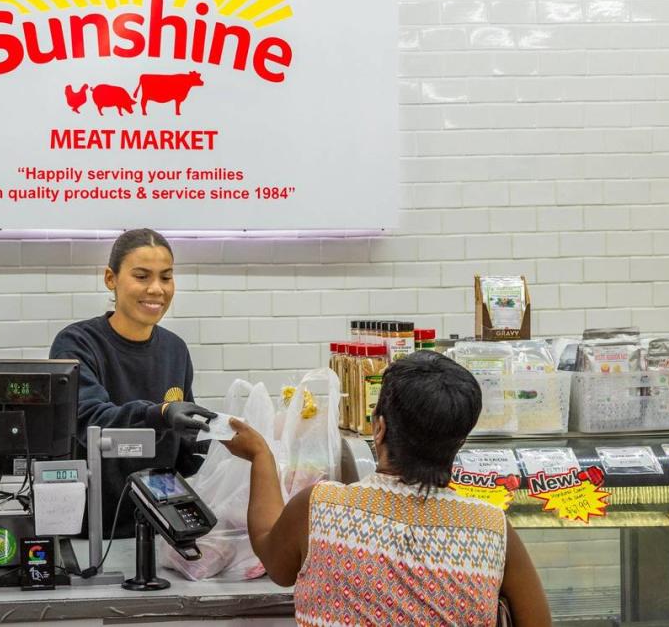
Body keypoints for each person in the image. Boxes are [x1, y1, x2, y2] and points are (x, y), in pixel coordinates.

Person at [224, 350, 551, 627]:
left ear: (379, 428)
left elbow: (273, 557)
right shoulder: (491, 528)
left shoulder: (320, 507)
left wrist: (260, 456)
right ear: (459, 441)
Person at [49, 229, 215, 537]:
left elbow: (184, 456)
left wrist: (219, 439)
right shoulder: (77, 343)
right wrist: (160, 414)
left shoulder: (174, 349)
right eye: (141, 276)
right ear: (111, 279)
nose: (156, 289)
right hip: (94, 534)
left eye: (166, 277)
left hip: (158, 532)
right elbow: (90, 421)